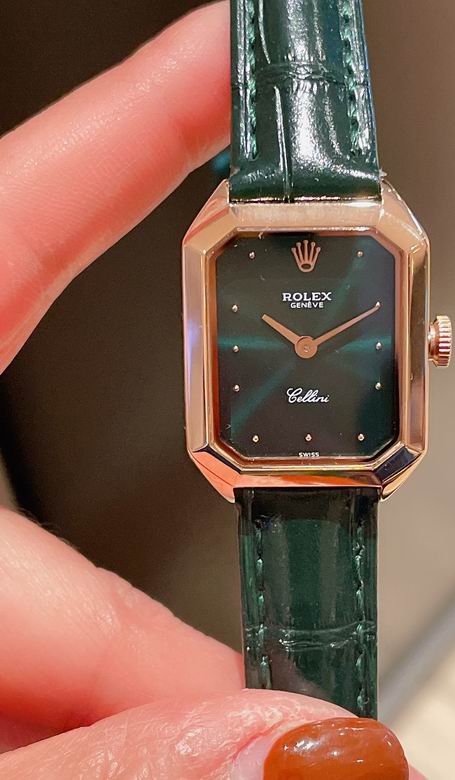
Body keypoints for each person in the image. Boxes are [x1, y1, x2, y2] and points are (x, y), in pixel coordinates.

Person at [0, 4, 423, 777]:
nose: (303, 348)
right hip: (285, 461)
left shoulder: (365, 242)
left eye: (314, 344)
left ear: (425, 340)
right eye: (294, 342)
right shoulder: (252, 249)